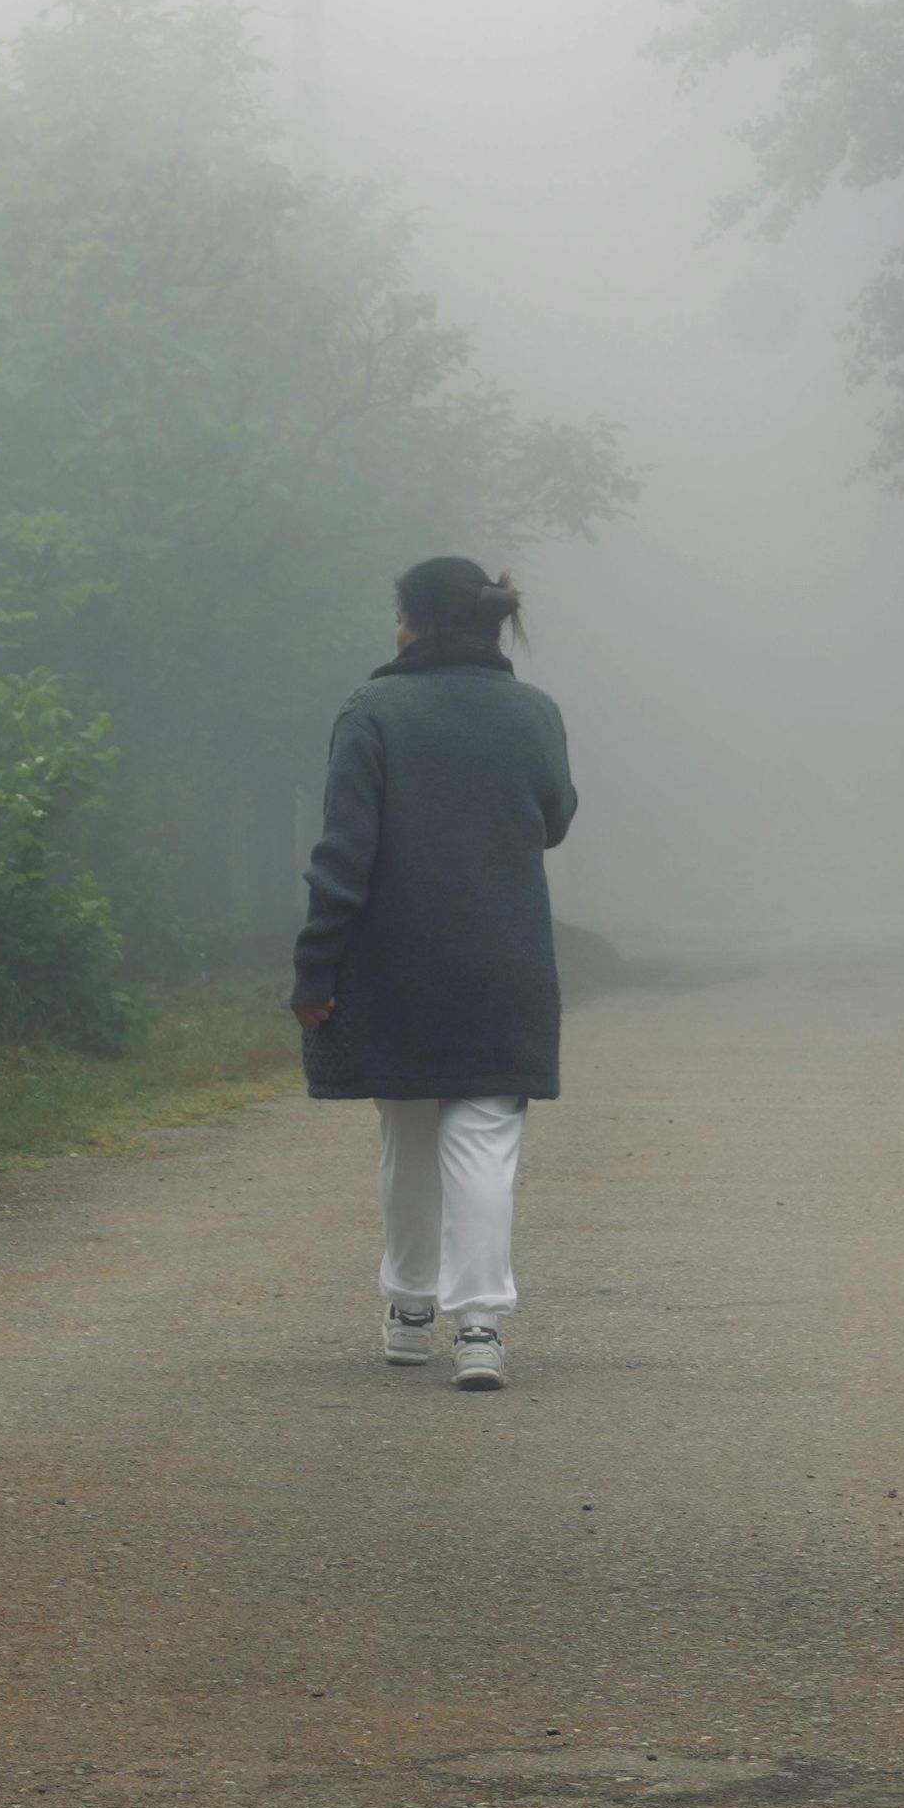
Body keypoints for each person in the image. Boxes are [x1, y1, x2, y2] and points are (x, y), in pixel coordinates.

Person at [290, 555, 577, 1391]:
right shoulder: (536, 712)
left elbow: (342, 857)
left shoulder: (372, 711)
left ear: (412, 622)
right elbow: (555, 819)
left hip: (395, 967)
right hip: (505, 965)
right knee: (484, 1144)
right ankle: (479, 1330)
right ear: (490, 624)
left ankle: (411, 1309)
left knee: (408, 1135)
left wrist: (315, 970)